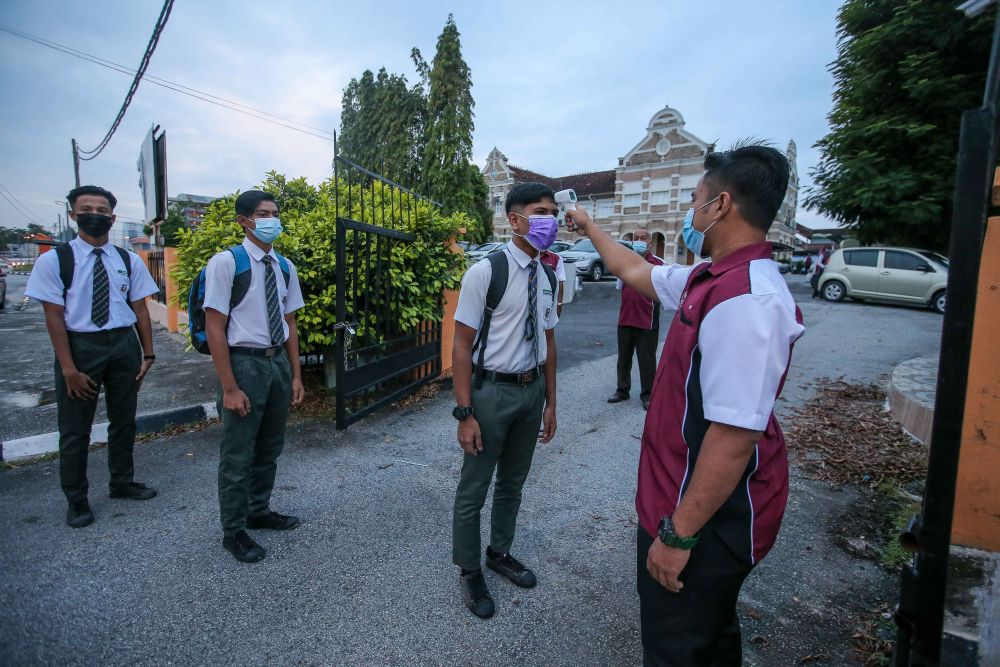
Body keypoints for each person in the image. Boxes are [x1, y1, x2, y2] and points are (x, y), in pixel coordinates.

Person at [567, 141, 804, 666]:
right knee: (709, 638)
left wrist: (679, 536)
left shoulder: (748, 301)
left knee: (677, 646)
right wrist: (588, 225)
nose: (689, 213)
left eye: (696, 200)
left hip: (706, 522)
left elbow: (734, 437)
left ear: (721, 205)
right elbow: (635, 270)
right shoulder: (710, 277)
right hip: (675, 498)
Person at [451, 182, 559, 619]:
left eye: (552, 211)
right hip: (491, 393)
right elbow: (460, 346)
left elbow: (550, 344)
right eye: (540, 211)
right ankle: (470, 568)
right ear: (515, 220)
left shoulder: (549, 274)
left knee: (513, 482)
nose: (549, 220)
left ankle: (499, 552)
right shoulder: (486, 272)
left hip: (531, 393)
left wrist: (551, 402)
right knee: (474, 488)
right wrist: (464, 412)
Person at [25, 185, 160, 528]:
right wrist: (69, 368)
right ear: (73, 214)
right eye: (87, 208)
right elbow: (53, 317)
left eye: (102, 210)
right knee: (74, 428)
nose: (95, 215)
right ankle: (77, 499)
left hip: (122, 345)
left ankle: (121, 482)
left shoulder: (127, 260)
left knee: (124, 420)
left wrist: (147, 354)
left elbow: (141, 310)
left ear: (113, 218)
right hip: (80, 345)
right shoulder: (55, 260)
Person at [203, 190, 306, 563]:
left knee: (269, 446)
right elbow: (215, 326)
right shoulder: (227, 263)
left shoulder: (284, 266)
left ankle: (258, 510)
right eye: (263, 213)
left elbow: (291, 321)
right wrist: (230, 386)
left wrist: (295, 374)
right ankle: (233, 530)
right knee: (238, 451)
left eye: (275, 213)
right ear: (244, 220)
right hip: (244, 363)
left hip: (276, 361)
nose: (271, 220)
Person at [608, 228, 663, 410]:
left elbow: (663, 293)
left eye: (643, 238)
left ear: (650, 243)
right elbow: (620, 288)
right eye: (635, 238)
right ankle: (622, 390)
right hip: (625, 319)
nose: (639, 241)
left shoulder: (659, 264)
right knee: (623, 358)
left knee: (646, 359)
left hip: (647, 321)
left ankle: (648, 395)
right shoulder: (625, 264)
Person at [538, 247, 566, 317]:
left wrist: (559, 303)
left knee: (548, 326)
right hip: (528, 300)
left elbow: (560, 282)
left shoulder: (556, 258)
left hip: (548, 301)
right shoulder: (528, 256)